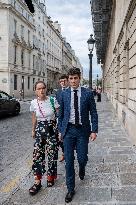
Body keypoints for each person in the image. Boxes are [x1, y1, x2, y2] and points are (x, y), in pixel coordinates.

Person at [58, 68, 98, 203]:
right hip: (68, 131)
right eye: (71, 78)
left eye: (75, 78)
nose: (73, 81)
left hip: (82, 131)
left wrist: (94, 130)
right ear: (68, 80)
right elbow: (61, 115)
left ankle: (82, 168)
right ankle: (70, 189)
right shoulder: (64, 94)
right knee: (68, 161)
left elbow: (93, 112)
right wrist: (60, 131)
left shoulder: (87, 93)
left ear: (79, 78)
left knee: (82, 158)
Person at [29, 81, 59, 195]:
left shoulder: (52, 100)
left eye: (43, 88)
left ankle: (50, 176)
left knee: (52, 154)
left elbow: (58, 116)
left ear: (46, 89)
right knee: (37, 155)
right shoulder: (33, 103)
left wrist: (59, 131)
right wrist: (33, 129)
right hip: (39, 130)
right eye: (38, 88)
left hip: (51, 129)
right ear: (35, 90)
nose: (41, 90)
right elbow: (34, 117)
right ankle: (37, 181)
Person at [56, 74, 69, 162]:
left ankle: (68, 153)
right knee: (60, 137)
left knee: (68, 137)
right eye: (61, 81)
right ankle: (64, 153)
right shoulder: (58, 92)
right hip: (60, 118)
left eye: (64, 81)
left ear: (67, 81)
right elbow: (56, 106)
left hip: (69, 118)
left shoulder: (71, 91)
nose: (63, 83)